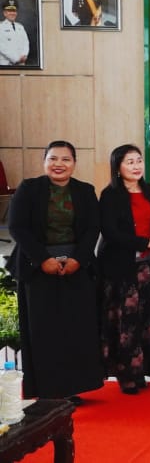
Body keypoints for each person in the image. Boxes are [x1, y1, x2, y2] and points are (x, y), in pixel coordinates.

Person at [7, 140, 104, 402]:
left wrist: (78, 260)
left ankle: (73, 388)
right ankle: (47, 391)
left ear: (74, 163)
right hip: (37, 267)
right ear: (44, 162)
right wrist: (42, 260)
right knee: (43, 330)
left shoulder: (85, 191)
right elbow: (17, 227)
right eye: (53, 158)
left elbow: (92, 228)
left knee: (76, 329)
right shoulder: (29, 189)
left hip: (76, 267)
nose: (59, 164)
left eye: (65, 159)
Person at [98, 144, 150, 395]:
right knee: (124, 323)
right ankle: (126, 374)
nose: (136, 166)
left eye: (139, 161)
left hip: (148, 267)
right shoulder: (110, 195)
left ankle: (142, 370)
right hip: (120, 268)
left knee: (147, 320)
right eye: (129, 162)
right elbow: (110, 232)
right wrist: (146, 242)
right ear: (117, 167)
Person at [0, 0, 29, 66]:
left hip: (21, 63)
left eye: (14, 11)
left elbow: (26, 43)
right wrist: (16, 59)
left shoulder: (20, 27)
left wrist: (24, 55)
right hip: (5, 64)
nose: (12, 13)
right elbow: (2, 47)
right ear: (5, 13)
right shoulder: (1, 27)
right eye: (9, 11)